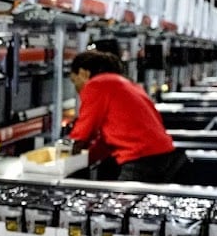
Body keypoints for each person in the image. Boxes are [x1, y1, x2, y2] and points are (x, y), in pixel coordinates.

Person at [67, 49, 186, 183]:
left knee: (121, 201)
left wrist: (66, 161)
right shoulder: (127, 84)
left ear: (83, 73)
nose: (76, 88)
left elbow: (83, 133)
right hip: (166, 157)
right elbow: (106, 141)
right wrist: (86, 159)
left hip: (140, 159)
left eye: (74, 80)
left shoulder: (97, 84)